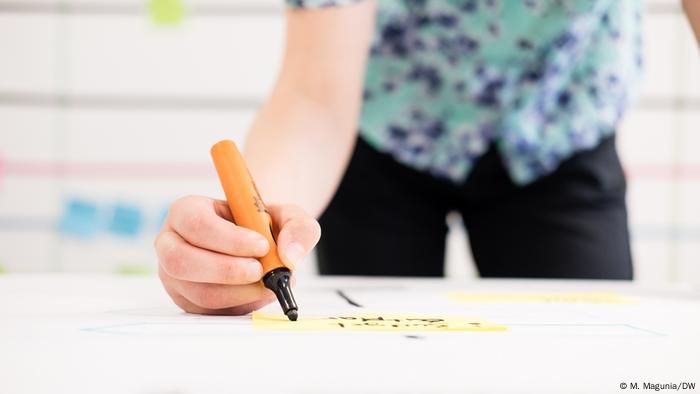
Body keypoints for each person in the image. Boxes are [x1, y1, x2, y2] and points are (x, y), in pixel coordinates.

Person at [155, 0, 700, 315]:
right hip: (378, 133)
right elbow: (315, 97)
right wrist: (254, 242)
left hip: (559, 128)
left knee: (590, 358)